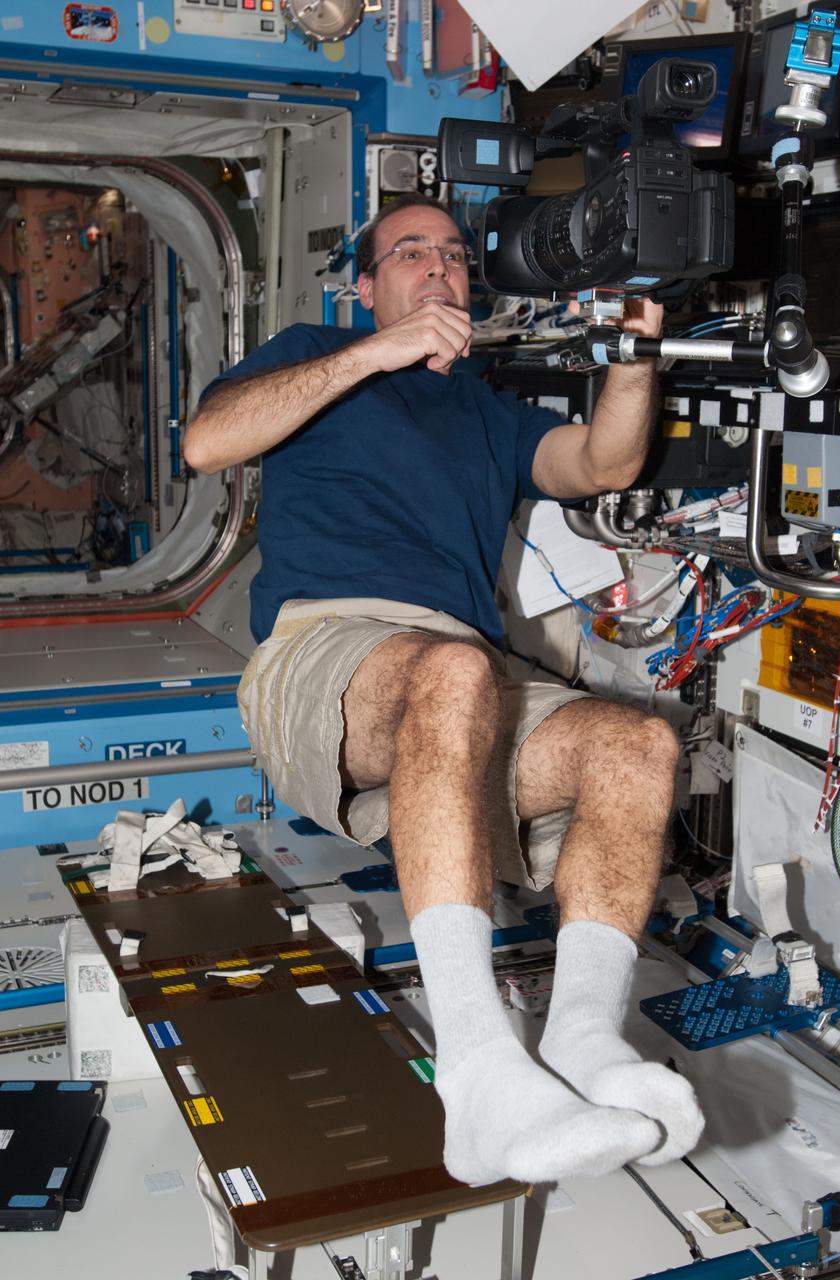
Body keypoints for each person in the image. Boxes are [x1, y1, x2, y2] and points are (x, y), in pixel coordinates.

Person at [183, 192, 703, 1187]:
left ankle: (583, 1042)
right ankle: (475, 1076)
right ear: (365, 285)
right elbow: (210, 442)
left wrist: (635, 348)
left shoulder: (485, 412)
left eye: (455, 257)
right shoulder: (310, 354)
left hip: (457, 663)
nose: (438, 269)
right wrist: (370, 355)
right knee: (456, 672)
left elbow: (602, 460)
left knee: (636, 745)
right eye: (409, 254)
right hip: (324, 643)